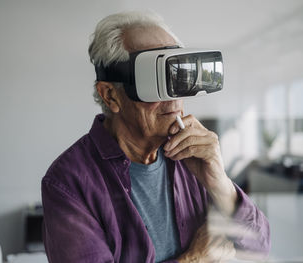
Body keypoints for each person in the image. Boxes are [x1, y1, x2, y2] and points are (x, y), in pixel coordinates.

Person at [41, 11, 270, 263]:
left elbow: (257, 250)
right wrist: (193, 260)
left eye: (176, 77)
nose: (173, 98)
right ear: (110, 95)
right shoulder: (69, 183)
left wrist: (220, 183)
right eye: (154, 80)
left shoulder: (192, 158)